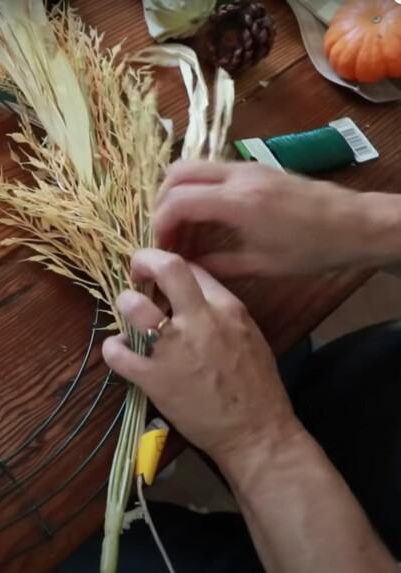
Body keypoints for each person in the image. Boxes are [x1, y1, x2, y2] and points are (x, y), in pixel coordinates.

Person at [62, 160, 400, 572]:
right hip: (365, 400)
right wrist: (364, 223)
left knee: (64, 554)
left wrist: (257, 439)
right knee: (276, 345)